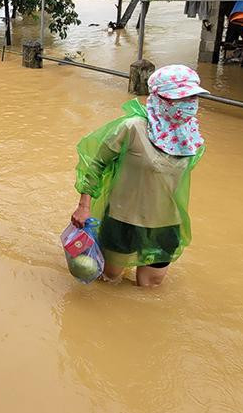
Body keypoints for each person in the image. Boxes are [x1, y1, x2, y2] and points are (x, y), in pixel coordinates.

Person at [70, 65, 207, 287]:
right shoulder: (132, 128)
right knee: (110, 280)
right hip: (124, 220)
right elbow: (96, 164)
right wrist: (84, 206)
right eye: (180, 98)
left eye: (193, 97)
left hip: (166, 223)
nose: (189, 105)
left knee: (151, 285)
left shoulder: (191, 136)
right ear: (159, 97)